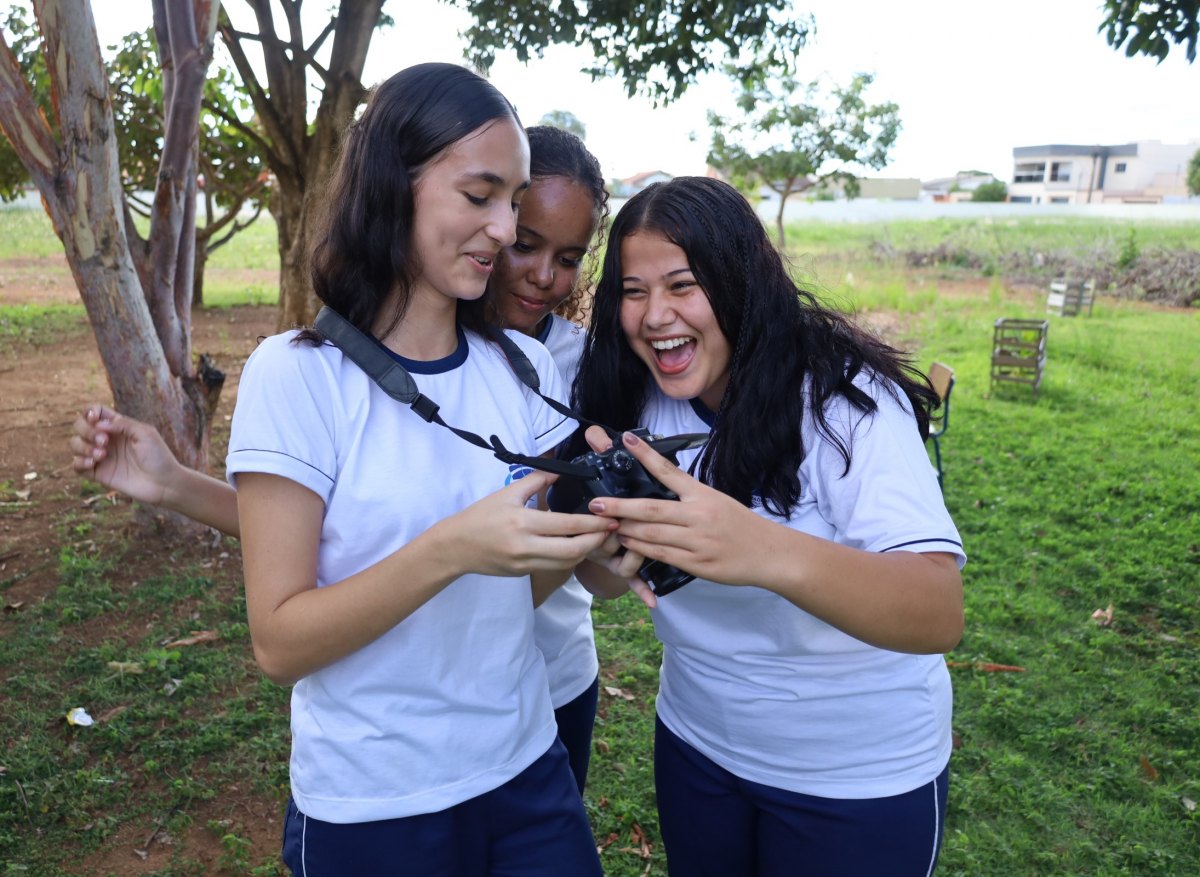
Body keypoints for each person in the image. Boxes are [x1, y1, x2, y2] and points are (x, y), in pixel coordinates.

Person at [81, 62, 615, 876]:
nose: (506, 231)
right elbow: (282, 640)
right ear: (392, 185)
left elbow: (516, 593)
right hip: (378, 804)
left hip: (527, 771)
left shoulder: (524, 373)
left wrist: (595, 541)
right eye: (480, 197)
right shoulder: (298, 374)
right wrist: (455, 546)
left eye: (513, 201)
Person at [571, 176, 966, 877]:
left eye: (682, 284)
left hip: (856, 777)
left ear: (739, 279)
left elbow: (936, 610)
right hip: (699, 747)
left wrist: (762, 549)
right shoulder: (637, 397)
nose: (656, 315)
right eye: (633, 291)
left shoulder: (845, 400)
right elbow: (603, 583)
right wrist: (606, 548)